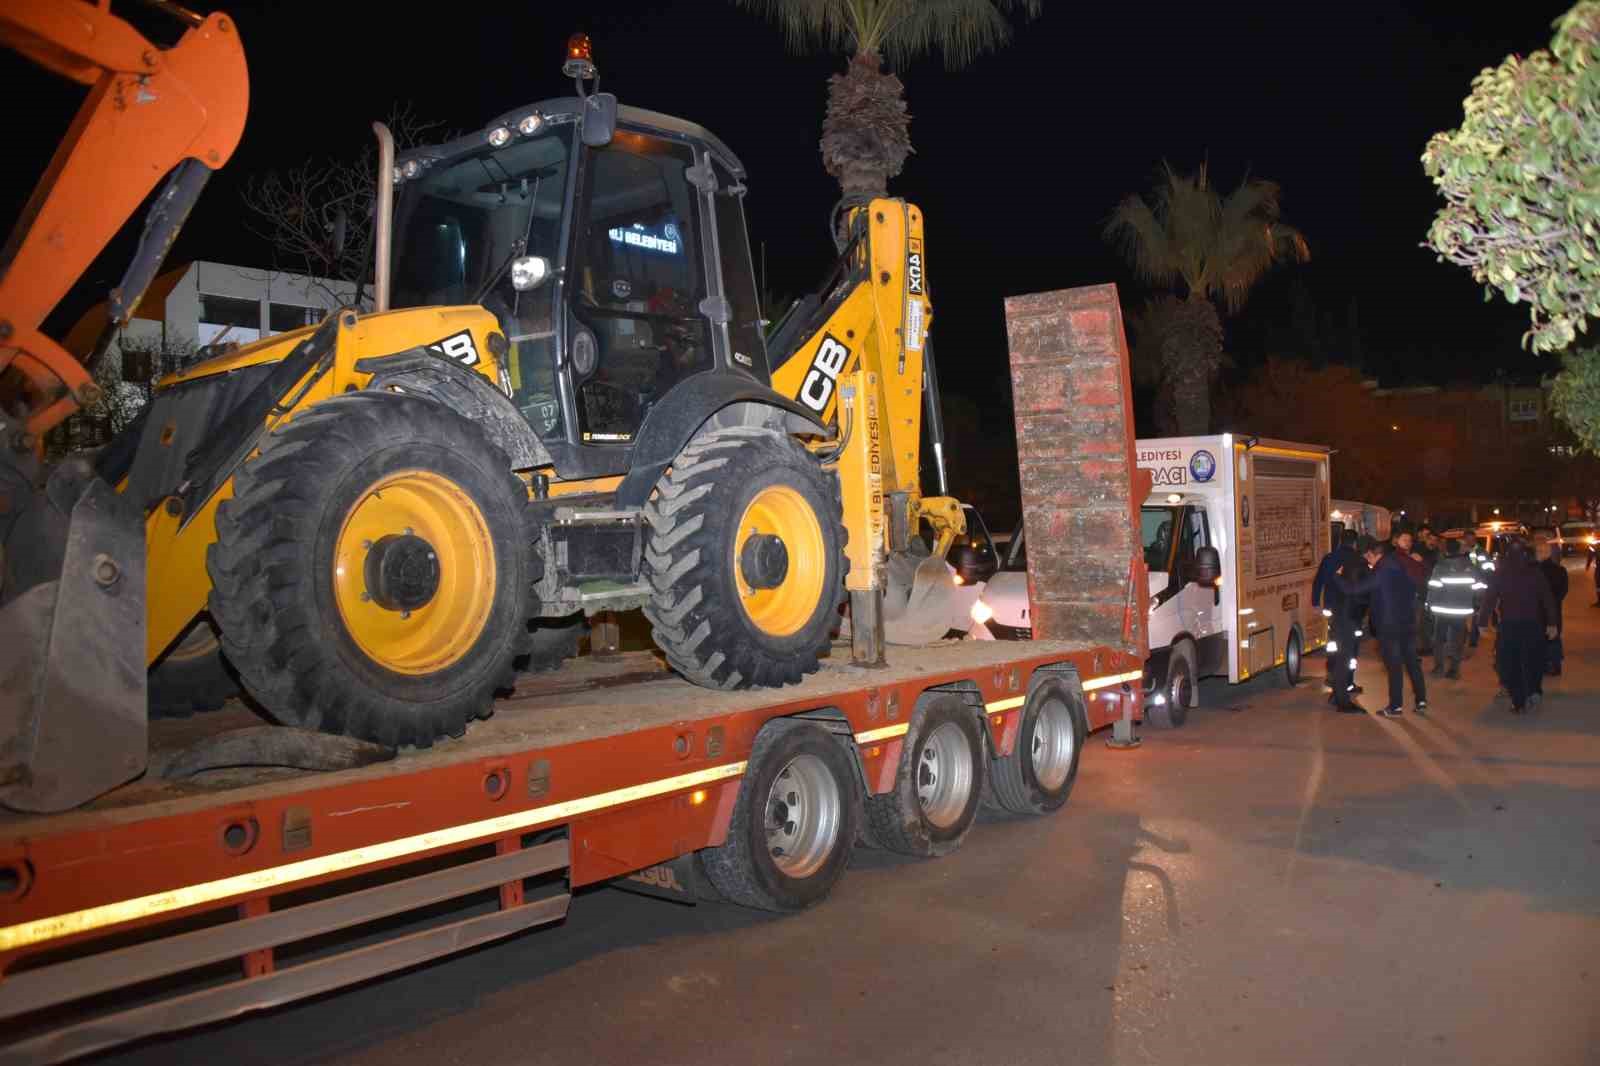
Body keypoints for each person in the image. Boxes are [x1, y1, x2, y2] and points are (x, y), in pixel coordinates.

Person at [1345, 539, 1427, 717]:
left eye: (1369, 557)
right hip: (1407, 621)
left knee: (1394, 666)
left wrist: (1336, 578)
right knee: (1412, 662)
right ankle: (1421, 700)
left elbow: (1356, 589)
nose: (1368, 562)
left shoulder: (1383, 570)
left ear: (1375, 554)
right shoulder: (1402, 565)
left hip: (1389, 625)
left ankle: (1395, 706)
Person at [1477, 539, 1558, 715]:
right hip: (1532, 624)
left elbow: (1489, 598)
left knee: (1510, 662)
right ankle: (1533, 691)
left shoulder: (1501, 572)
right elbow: (1547, 598)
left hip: (1509, 625)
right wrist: (1552, 623)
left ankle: (1518, 701)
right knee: (1532, 659)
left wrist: (1482, 622)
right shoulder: (1534, 572)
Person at [1313, 529, 1365, 710]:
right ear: (1355, 543)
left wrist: (1315, 602)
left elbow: (1319, 580)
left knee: (1334, 645)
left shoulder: (1329, 558)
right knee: (1349, 652)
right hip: (1350, 612)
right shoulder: (1357, 560)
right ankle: (1346, 684)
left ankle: (1335, 680)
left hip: (1332, 608)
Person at [1426, 538, 1478, 679]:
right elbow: (1477, 588)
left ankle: (1438, 667)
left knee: (1439, 639)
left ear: (1446, 550)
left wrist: (1429, 605)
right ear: (1459, 550)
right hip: (1461, 611)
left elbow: (1434, 588)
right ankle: (1454, 669)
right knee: (1458, 640)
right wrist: (1475, 604)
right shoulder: (1470, 566)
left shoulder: (1440, 566)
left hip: (1442, 610)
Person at [1535, 534, 1569, 678]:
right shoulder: (1560, 570)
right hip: (1555, 609)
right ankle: (1556, 665)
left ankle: (1545, 664)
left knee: (1542, 638)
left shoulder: (1535, 572)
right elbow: (1563, 591)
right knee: (1554, 637)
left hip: (1539, 611)